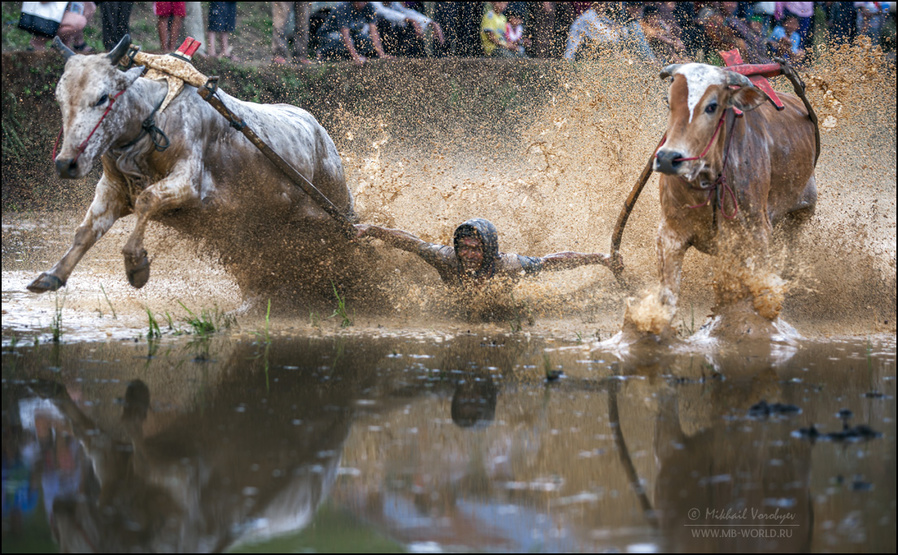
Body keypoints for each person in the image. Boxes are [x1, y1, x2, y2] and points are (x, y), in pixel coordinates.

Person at [354, 218, 615, 290]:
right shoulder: (447, 258)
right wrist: (373, 229)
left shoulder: (509, 266)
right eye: (464, 247)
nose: (468, 255)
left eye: (476, 249)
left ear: (488, 251)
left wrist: (599, 258)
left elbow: (553, 261)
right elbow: (411, 243)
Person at [316, 1, 392, 64]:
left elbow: (374, 32)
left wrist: (381, 54)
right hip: (329, 34)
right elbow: (345, 36)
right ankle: (323, 52)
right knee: (340, 40)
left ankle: (351, 55)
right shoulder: (343, 7)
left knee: (367, 40)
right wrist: (355, 57)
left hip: (352, 34)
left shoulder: (369, 6)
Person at [372, 1, 445, 57]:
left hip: (389, 35)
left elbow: (406, 12)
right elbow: (385, 13)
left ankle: (416, 54)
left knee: (411, 26)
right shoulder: (373, 3)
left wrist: (431, 22)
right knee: (385, 23)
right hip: (369, 37)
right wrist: (410, 20)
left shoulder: (393, 3)